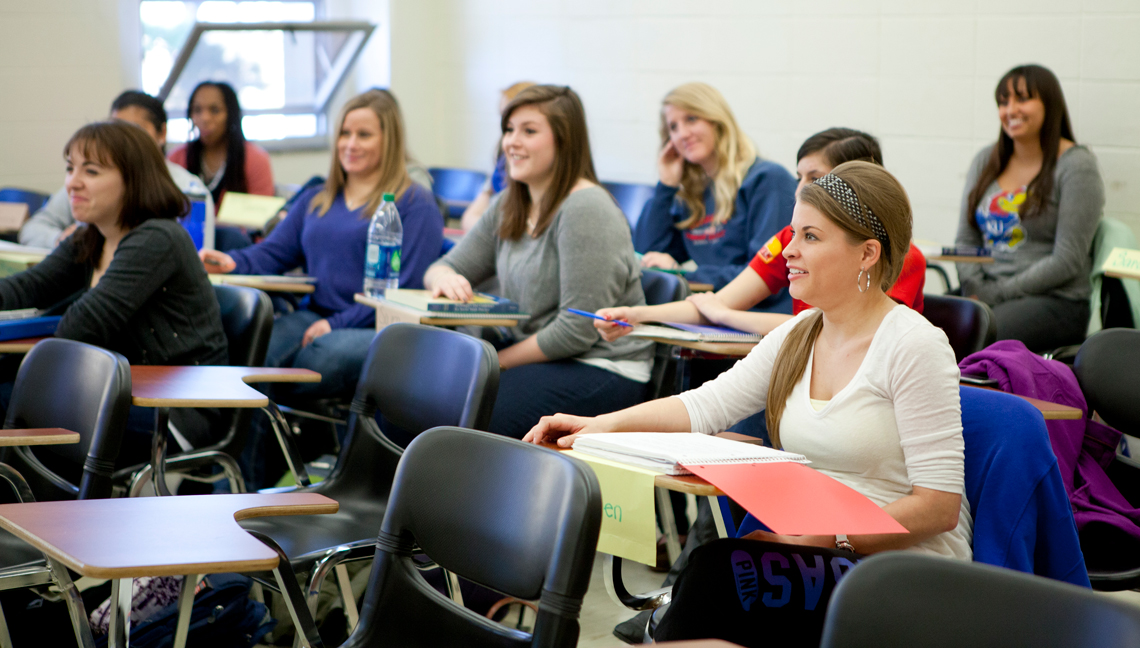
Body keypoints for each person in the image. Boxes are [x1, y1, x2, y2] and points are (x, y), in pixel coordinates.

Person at [526, 161, 970, 643]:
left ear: (867, 253)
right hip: (821, 554)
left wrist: (827, 538)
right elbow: (702, 405)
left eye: (811, 237)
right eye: (792, 234)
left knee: (720, 575)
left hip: (898, 572)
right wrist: (598, 425)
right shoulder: (800, 333)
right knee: (715, 574)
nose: (790, 251)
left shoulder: (913, 345)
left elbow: (939, 507)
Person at [424, 85, 654, 440]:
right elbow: (444, 266)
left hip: (601, 368)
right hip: (543, 360)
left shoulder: (586, 207)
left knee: (465, 414)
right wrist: (443, 277)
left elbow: (576, 330)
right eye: (509, 129)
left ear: (564, 141)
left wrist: (494, 363)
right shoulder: (507, 203)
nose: (512, 142)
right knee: (421, 397)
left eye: (529, 131)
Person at [0, 121, 228, 461]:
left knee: (16, 402)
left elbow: (80, 325)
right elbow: (28, 287)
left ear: (133, 179)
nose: (72, 183)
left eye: (90, 171)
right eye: (70, 168)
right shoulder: (92, 235)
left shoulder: (158, 238)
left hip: (172, 413)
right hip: (115, 392)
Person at [200, 89, 443, 400]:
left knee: (319, 359)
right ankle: (239, 447)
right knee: (251, 355)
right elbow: (274, 252)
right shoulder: (319, 198)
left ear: (389, 141)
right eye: (345, 133)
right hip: (316, 314)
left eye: (364, 135)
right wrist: (232, 262)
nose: (351, 143)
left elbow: (402, 292)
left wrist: (336, 323)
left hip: (377, 327)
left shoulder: (414, 204)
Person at [595, 128, 927, 338]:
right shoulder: (788, 238)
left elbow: (832, 332)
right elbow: (717, 304)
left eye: (815, 178)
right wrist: (637, 315)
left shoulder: (897, 255)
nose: (800, 189)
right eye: (799, 177)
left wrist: (729, 317)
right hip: (799, 369)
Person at [956, 64, 1104, 352]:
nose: (1011, 109)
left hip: (1055, 299)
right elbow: (966, 240)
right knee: (921, 325)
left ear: (1049, 103)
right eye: (1003, 101)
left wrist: (996, 294)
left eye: (1022, 99)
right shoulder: (986, 160)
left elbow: (1067, 259)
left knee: (977, 336)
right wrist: (974, 287)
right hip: (987, 293)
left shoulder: (1076, 165)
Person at [633, 82, 797, 305]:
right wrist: (666, 186)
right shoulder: (692, 196)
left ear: (717, 120)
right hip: (716, 313)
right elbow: (646, 258)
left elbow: (768, 276)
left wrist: (683, 275)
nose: (682, 134)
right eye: (673, 127)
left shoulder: (766, 180)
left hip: (760, 319)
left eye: (691, 119)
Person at [19, 90, 215, 250]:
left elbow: (195, 257)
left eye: (134, 131)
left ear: (162, 133)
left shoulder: (190, 191)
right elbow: (33, 228)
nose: (122, 142)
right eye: (115, 131)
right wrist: (60, 240)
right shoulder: (92, 182)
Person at [168, 81, 275, 206]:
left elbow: (262, 215)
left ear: (231, 114)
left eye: (215, 110)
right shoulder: (176, 158)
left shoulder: (256, 160)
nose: (205, 118)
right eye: (197, 110)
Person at [460, 81, 537, 231]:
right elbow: (469, 218)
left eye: (529, 130)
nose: (512, 139)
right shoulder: (503, 154)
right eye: (507, 125)